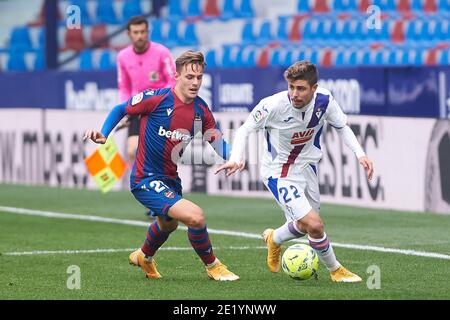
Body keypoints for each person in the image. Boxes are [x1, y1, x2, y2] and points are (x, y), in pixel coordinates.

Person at [84, 51, 239, 281]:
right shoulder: (156, 99)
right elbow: (121, 109)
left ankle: (143, 257)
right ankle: (213, 266)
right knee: (195, 217)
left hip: (170, 179)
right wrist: (104, 134)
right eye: (189, 77)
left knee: (168, 225)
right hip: (144, 179)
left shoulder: (201, 110)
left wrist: (233, 156)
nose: (195, 82)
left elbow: (216, 141)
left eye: (199, 77)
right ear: (176, 75)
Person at [215, 61, 374, 283]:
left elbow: (342, 126)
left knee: (303, 227)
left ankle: (274, 238)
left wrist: (360, 154)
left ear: (314, 88)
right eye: (291, 87)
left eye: (300, 88)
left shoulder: (325, 100)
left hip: (308, 168)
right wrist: (236, 157)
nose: (294, 94)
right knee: (315, 225)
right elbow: (244, 129)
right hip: (279, 174)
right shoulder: (272, 105)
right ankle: (336, 271)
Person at [117, 15, 176, 170]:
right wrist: (125, 108)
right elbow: (124, 86)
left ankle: (159, 185)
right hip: (137, 107)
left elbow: (172, 81)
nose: (140, 36)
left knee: (157, 153)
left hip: (159, 107)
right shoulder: (123, 57)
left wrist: (161, 100)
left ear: (148, 32)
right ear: (129, 34)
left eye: (143, 32)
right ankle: (140, 186)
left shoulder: (162, 52)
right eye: (136, 32)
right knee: (132, 150)